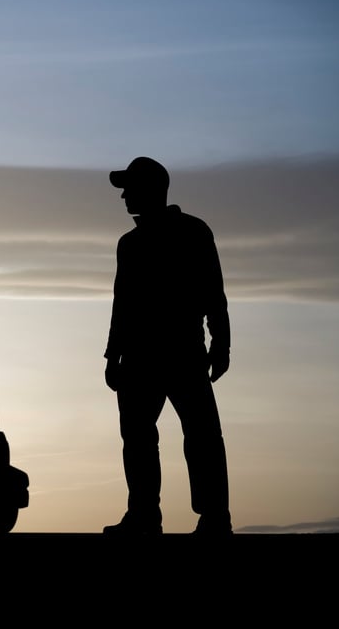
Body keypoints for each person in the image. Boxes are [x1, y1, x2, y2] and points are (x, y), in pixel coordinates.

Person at [103, 156, 232, 537]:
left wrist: (221, 343)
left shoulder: (193, 232)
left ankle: (214, 517)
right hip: (141, 359)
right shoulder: (129, 244)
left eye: (130, 188)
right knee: (140, 439)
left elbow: (213, 292)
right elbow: (122, 303)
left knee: (202, 436)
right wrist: (113, 354)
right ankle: (144, 515)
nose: (124, 195)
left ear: (151, 190)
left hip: (181, 352)